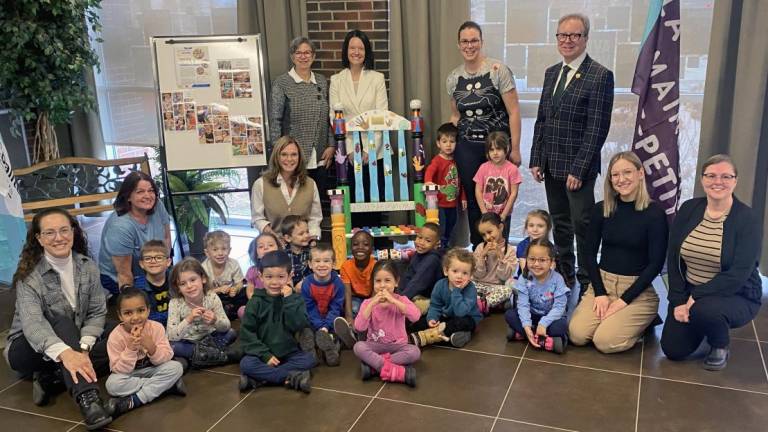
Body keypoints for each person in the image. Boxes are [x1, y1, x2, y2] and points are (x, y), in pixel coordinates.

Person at [5, 208, 113, 430]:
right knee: (62, 321)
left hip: (74, 336)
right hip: (27, 348)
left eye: (64, 230)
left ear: (73, 232)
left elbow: (96, 312)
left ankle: (51, 378)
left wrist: (82, 347)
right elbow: (33, 325)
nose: (59, 238)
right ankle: (88, 397)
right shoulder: (29, 276)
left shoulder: (87, 266)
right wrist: (66, 353)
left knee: (120, 333)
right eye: (50, 232)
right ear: (39, 238)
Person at [529, 13, 614, 290]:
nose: (568, 41)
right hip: (551, 164)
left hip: (579, 168)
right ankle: (565, 273)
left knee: (582, 225)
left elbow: (597, 129)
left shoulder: (600, 76)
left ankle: (588, 279)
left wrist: (578, 169)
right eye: (562, 35)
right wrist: (536, 159)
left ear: (585, 38)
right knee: (561, 223)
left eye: (574, 35)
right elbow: (543, 119)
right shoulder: (552, 73)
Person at [661, 154, 762, 370]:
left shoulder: (747, 219)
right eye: (711, 175)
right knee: (673, 349)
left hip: (736, 294)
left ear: (735, 181)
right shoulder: (689, 209)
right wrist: (679, 299)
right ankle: (702, 318)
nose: (718, 182)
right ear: (702, 179)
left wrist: (695, 297)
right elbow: (674, 257)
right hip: (691, 290)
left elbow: (738, 275)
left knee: (704, 310)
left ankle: (720, 343)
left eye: (726, 176)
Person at [568, 151, 667, 354]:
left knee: (605, 342)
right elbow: (588, 254)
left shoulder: (655, 214)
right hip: (603, 284)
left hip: (636, 290)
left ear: (640, 174)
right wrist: (600, 293)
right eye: (615, 175)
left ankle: (644, 321)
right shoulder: (601, 209)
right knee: (577, 335)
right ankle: (618, 319)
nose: (621, 179)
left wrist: (623, 301)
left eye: (627, 172)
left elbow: (656, 264)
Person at [448, 20, 522, 247]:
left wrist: (515, 148)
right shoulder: (453, 77)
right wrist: (451, 148)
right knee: (473, 200)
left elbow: (514, 111)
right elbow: (455, 116)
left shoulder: (498, 70)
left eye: (474, 41)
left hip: (496, 146)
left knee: (499, 198)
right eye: (464, 41)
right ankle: (479, 250)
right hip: (467, 147)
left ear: (481, 42)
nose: (469, 45)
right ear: (459, 45)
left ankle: (500, 250)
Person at [329, 29, 389, 230]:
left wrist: (368, 149)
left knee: (372, 203)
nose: (356, 52)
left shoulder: (377, 78)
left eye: (360, 48)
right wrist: (350, 149)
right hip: (345, 151)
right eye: (352, 47)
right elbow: (334, 116)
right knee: (350, 201)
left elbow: (381, 116)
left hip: (374, 151)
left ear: (367, 51)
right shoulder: (337, 80)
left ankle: (372, 252)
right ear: (346, 50)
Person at [239, 251, 317, 393]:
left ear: (289, 276)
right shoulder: (255, 302)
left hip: (289, 352)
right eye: (269, 277)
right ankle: (291, 377)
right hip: (263, 354)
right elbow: (247, 334)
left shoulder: (294, 299)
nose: (274, 282)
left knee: (309, 360)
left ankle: (258, 379)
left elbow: (299, 324)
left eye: (281, 277)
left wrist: (288, 300)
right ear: (260, 276)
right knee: (246, 363)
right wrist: (265, 355)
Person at [105, 287, 185, 418]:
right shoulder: (115, 337)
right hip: (130, 374)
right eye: (128, 313)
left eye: (141, 310)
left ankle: (134, 401)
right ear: (120, 315)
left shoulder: (156, 328)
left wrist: (151, 347)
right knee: (112, 385)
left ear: (148, 310)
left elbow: (167, 356)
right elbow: (118, 370)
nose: (135, 317)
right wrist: (130, 349)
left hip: (153, 369)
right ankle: (166, 387)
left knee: (176, 367)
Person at [269, 37, 335, 192]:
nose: (303, 56)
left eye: (307, 53)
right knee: (296, 200)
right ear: (292, 57)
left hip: (320, 154)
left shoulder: (321, 81)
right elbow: (275, 120)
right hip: (292, 157)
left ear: (313, 56)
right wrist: (279, 153)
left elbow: (328, 116)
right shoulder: (281, 83)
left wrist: (331, 144)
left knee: (316, 198)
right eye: (299, 53)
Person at [99, 171, 171, 296]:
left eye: (151, 190)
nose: (148, 196)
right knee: (151, 305)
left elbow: (166, 238)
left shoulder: (157, 205)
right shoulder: (120, 226)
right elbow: (124, 273)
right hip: (121, 276)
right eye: (140, 192)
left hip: (152, 267)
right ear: (128, 197)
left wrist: (162, 271)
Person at [353, 260, 420, 386]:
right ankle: (396, 370)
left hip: (398, 346)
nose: (382, 285)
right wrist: (372, 304)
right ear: (373, 283)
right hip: (375, 345)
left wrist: (394, 301)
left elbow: (415, 316)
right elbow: (359, 327)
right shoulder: (368, 303)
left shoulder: (401, 300)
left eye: (387, 280)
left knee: (414, 352)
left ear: (396, 282)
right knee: (359, 347)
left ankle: (374, 367)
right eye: (378, 281)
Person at [166, 257, 239, 370]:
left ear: (203, 279)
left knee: (231, 333)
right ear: (178, 288)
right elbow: (171, 335)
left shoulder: (212, 297)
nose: (189, 286)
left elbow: (226, 326)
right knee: (172, 346)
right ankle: (223, 356)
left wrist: (215, 321)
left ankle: (199, 358)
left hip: (211, 339)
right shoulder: (175, 303)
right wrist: (188, 319)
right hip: (188, 342)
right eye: (183, 283)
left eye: (193, 280)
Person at [251, 135, 322, 242]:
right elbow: (258, 219)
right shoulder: (260, 184)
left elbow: (315, 219)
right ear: (276, 157)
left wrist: (312, 241)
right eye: (284, 154)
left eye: (294, 154)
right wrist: (275, 238)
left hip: (304, 245)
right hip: (274, 246)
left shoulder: (311, 184)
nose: (289, 159)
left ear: (299, 157)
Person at [506, 239, 569, 354]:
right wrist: (526, 325)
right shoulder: (524, 278)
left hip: (551, 318)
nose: (536, 264)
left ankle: (524, 335)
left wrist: (543, 324)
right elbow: (523, 304)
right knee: (510, 315)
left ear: (552, 262)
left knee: (562, 325)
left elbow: (559, 308)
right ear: (526, 259)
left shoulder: (558, 279)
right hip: (532, 315)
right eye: (532, 259)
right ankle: (544, 339)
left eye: (542, 260)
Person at [409, 248, 483, 348]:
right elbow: (435, 305)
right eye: (455, 271)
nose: (459, 276)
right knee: (418, 324)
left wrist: (457, 291)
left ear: (470, 276)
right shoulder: (440, 285)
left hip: (466, 318)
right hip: (446, 316)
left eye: (465, 273)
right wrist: (432, 318)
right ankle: (450, 336)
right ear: (446, 271)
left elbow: (460, 312)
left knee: (461, 323)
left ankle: (432, 336)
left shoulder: (470, 289)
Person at [299, 244, 345, 367]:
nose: (322, 265)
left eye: (326, 261)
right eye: (317, 261)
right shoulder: (307, 284)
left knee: (335, 331)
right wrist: (320, 325)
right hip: (313, 319)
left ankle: (330, 348)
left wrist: (326, 326)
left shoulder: (338, 283)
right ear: (310, 264)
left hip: (331, 320)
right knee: (306, 329)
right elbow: (310, 308)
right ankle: (310, 350)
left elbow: (336, 307)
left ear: (333, 264)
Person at [473, 131, 522, 241]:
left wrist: (504, 215)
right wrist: (484, 212)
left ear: (506, 149)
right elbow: (478, 191)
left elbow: (513, 193)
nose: (495, 153)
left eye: (498, 149)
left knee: (503, 242)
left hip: (504, 215)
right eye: (492, 150)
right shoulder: (483, 168)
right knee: (488, 242)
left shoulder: (512, 169)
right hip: (487, 214)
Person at [425, 122, 467, 246]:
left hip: (453, 203)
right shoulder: (437, 161)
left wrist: (463, 198)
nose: (448, 145)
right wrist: (428, 182)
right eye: (444, 141)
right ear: (438, 143)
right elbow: (429, 172)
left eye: (452, 141)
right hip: (440, 203)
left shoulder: (457, 160)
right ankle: (440, 247)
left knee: (451, 226)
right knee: (441, 228)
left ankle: (446, 245)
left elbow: (460, 180)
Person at [472, 212, 517, 309]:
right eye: (483, 235)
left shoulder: (510, 250)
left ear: (500, 227)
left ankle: (482, 304)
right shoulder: (480, 248)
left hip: (496, 287)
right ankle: (483, 303)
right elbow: (478, 275)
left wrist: (500, 255)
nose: (487, 237)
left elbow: (504, 277)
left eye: (489, 232)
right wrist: (481, 257)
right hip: (479, 285)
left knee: (508, 290)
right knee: (466, 282)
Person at [397, 223, 445, 314]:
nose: (421, 243)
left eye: (428, 241)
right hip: (417, 292)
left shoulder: (432, 259)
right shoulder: (418, 254)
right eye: (419, 237)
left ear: (436, 244)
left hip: (430, 298)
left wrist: (400, 300)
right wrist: (398, 294)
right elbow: (408, 275)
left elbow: (417, 282)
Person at [201, 231, 246, 320]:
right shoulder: (204, 268)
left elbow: (240, 283)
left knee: (244, 292)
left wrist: (235, 289)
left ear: (229, 250)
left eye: (224, 249)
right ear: (207, 253)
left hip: (230, 296)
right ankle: (226, 311)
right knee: (204, 300)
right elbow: (203, 291)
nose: (220, 253)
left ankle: (231, 310)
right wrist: (219, 290)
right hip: (213, 295)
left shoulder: (233, 264)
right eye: (215, 249)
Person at [238, 232, 281, 319]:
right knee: (242, 310)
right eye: (261, 247)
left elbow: (289, 287)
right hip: (258, 304)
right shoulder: (253, 271)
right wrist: (256, 302)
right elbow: (250, 291)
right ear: (256, 253)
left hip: (278, 304)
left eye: (271, 245)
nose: (266, 247)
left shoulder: (283, 269)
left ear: (278, 249)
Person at [338, 229, 376, 325]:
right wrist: (349, 317)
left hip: (372, 298)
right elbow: (347, 293)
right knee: (354, 308)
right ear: (350, 248)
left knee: (372, 313)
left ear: (372, 249)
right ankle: (352, 330)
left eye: (366, 244)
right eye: (355, 244)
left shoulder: (376, 266)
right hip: (355, 298)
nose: (360, 247)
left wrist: (369, 310)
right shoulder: (346, 266)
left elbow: (375, 293)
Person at [137, 240, 172, 326]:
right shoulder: (139, 288)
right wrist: (174, 314)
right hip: (153, 327)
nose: (153, 261)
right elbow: (146, 317)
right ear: (141, 264)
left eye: (159, 257)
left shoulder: (176, 279)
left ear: (168, 262)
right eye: (148, 258)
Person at [516, 209, 553, 277]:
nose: (535, 230)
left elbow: (551, 270)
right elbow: (524, 269)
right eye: (531, 225)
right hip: (527, 280)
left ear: (548, 228)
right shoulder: (522, 245)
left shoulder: (551, 247)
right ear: (526, 227)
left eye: (540, 226)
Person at [280, 214, 313, 288]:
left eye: (307, 232)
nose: (306, 235)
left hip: (308, 288)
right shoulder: (282, 255)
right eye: (301, 234)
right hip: (288, 291)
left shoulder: (312, 252)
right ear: (288, 238)